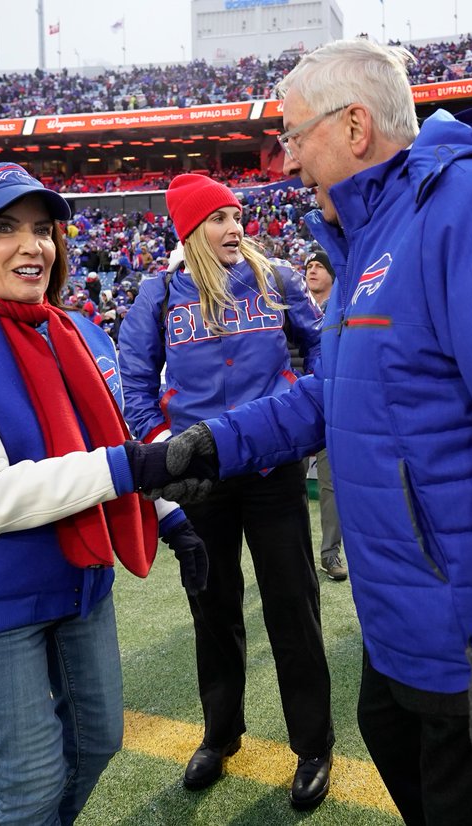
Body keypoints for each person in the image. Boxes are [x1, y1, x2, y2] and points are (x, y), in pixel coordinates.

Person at [150, 40, 472, 823]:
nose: (287, 158)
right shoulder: (372, 235)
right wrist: (214, 444)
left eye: (295, 135)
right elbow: (335, 395)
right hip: (404, 635)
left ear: (355, 127)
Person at [0, 162, 207, 825]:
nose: (33, 246)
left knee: (99, 741)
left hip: (83, 582)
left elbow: (108, 437)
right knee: (28, 784)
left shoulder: (80, 330)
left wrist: (169, 517)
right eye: (6, 229)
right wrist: (131, 470)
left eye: (42, 229)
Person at [116, 173, 335, 810]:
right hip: (200, 476)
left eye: (236, 215)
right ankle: (220, 733)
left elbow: (324, 347)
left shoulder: (278, 279)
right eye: (216, 218)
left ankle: (313, 744)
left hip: (271, 470)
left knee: (293, 607)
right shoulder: (158, 292)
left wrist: (307, 415)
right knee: (211, 609)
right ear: (189, 230)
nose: (233, 226)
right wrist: (164, 443)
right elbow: (133, 377)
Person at [303, 248, 347, 582]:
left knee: (331, 487)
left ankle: (330, 554)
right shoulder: (293, 306)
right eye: (309, 266)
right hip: (295, 407)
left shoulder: (345, 306)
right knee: (289, 487)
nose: (313, 270)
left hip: (332, 406)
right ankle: (295, 555)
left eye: (320, 265)